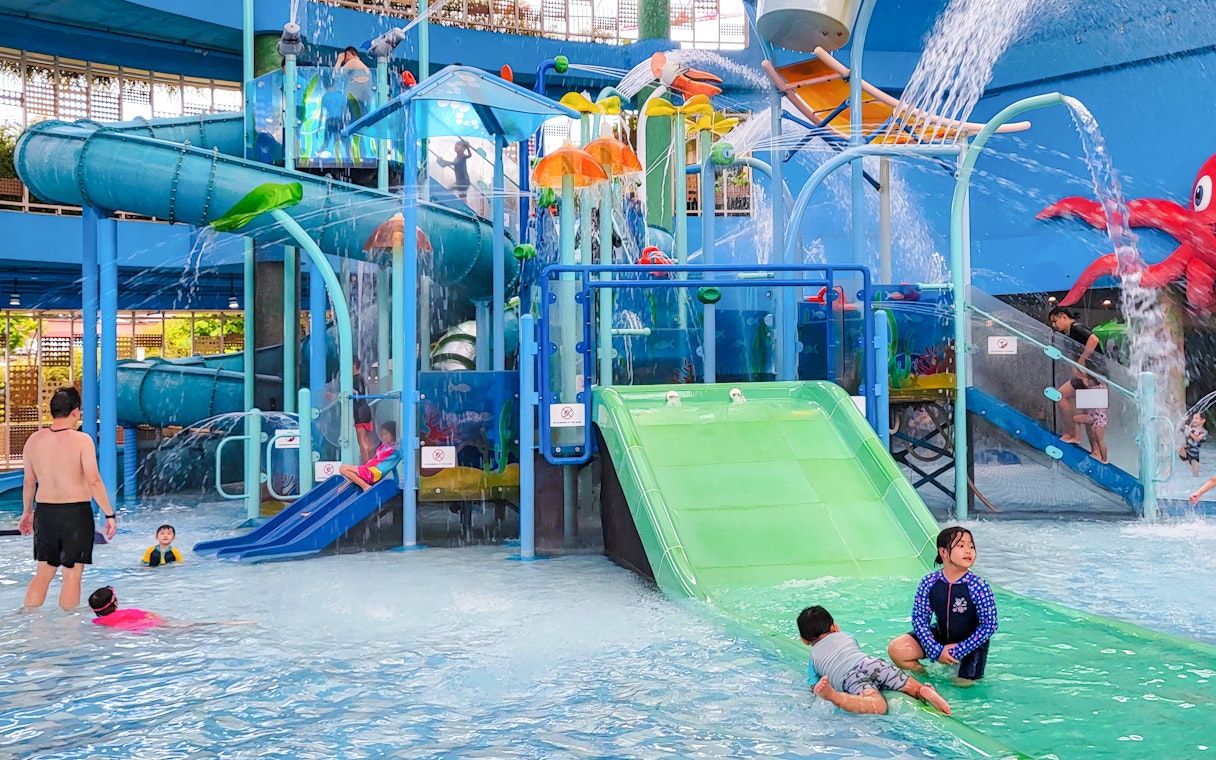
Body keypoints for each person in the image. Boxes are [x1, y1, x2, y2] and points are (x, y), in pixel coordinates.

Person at [17, 387, 116, 611]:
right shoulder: (82, 440)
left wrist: (27, 512)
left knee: (43, 573)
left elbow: (28, 482)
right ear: (75, 412)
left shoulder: (34, 440)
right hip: (75, 514)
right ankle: (68, 631)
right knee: (71, 576)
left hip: (45, 512)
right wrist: (109, 514)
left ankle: (28, 620)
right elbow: (94, 481)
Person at [888, 526, 998, 683]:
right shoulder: (929, 582)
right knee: (897, 650)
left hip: (971, 644)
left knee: (962, 685)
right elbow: (919, 618)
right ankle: (928, 681)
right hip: (940, 636)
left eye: (971, 546)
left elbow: (989, 625)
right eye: (961, 546)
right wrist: (936, 650)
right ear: (943, 552)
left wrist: (958, 650)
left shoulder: (979, 586)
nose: (968, 551)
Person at [798, 605, 951, 716]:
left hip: (849, 677)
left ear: (805, 641)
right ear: (834, 627)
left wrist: (817, 691)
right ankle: (922, 690)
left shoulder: (814, 657)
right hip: (870, 662)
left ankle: (835, 697)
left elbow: (814, 686)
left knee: (878, 704)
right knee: (904, 682)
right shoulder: (846, 635)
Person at [1047, 306, 1105, 444]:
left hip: (1095, 375)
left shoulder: (1076, 327)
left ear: (1064, 316)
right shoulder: (1068, 335)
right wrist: (1076, 367)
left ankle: (1093, 448)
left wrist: (1082, 359)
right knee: (1062, 396)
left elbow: (1094, 340)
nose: (1054, 326)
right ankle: (1073, 434)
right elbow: (1074, 355)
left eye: (1055, 321)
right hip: (1086, 375)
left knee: (1089, 412)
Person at [88, 586, 254, 630]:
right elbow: (152, 615)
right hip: (152, 626)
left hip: (135, 631)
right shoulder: (129, 612)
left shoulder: (98, 622)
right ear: (115, 603)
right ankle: (229, 623)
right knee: (198, 626)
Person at [338, 421, 402, 491]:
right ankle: (360, 485)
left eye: (386, 434)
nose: (383, 437)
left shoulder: (395, 449)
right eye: (382, 434)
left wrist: (397, 482)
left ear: (393, 434)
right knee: (348, 473)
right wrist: (345, 486)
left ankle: (366, 487)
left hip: (373, 473)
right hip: (369, 469)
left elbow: (393, 464)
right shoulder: (384, 446)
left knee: (343, 469)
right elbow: (391, 466)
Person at [1073, 375, 1108, 463]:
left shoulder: (1100, 388)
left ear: (1094, 380)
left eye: (1089, 380)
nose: (1087, 381)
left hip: (1100, 418)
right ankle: (1077, 438)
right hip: (1093, 416)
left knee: (1099, 439)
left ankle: (1104, 459)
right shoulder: (1092, 388)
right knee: (1076, 419)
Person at [352, 356, 375, 463]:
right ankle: (370, 463)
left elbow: (357, 394)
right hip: (365, 410)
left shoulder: (355, 379)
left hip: (359, 412)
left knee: (362, 441)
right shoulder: (362, 378)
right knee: (365, 440)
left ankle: (366, 466)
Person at [1180, 412, 1207, 477]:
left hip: (1194, 454)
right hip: (1186, 450)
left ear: (1203, 421)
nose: (1194, 420)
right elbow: (1180, 431)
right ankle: (1168, 469)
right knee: (1178, 448)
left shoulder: (1204, 432)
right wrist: (1182, 424)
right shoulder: (1190, 428)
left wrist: (1189, 432)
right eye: (1193, 418)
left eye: (1196, 418)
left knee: (1195, 475)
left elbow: (1197, 439)